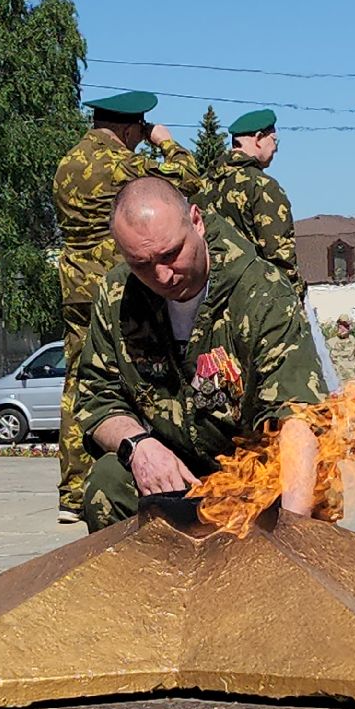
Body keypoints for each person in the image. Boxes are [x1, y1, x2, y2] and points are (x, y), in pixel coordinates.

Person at [76, 177, 326, 530]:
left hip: (255, 477)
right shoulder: (118, 295)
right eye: (141, 264)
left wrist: (294, 532)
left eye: (171, 254)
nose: (162, 275)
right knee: (108, 482)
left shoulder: (262, 292)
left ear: (196, 222)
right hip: (178, 477)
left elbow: (296, 414)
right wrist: (138, 445)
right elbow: (97, 398)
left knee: (310, 483)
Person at [53, 90, 203, 526]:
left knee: (79, 378)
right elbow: (187, 180)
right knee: (129, 377)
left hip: (73, 283)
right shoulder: (122, 165)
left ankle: (72, 488)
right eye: (139, 130)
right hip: (114, 283)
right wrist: (165, 142)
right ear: (127, 127)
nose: (140, 137)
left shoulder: (66, 164)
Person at [193, 109, 300, 294]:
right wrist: (295, 296)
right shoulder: (262, 186)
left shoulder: (201, 187)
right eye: (274, 140)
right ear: (258, 138)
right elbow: (281, 258)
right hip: (255, 297)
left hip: (210, 296)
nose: (275, 148)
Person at [325, 316, 355, 386]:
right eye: (340, 326)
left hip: (351, 379)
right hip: (335, 380)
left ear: (349, 328)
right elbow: (324, 361)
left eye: (345, 326)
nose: (342, 328)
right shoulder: (330, 343)